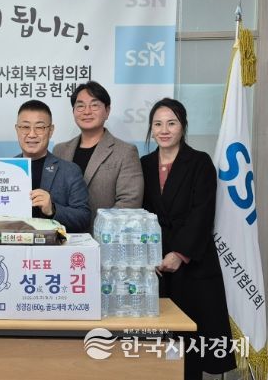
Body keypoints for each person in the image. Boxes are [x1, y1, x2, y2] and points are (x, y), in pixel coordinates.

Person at [141, 98, 235, 379]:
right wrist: (149, 254)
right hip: (155, 264)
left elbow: (202, 213)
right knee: (158, 344)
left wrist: (179, 254)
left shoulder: (200, 162)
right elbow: (139, 213)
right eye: (158, 124)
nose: (164, 130)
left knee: (191, 343)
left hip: (192, 263)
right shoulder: (143, 164)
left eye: (171, 123)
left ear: (183, 126)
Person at [54, 81, 143, 231]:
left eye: (94, 105)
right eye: (80, 106)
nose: (87, 111)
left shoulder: (126, 152)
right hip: (63, 238)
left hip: (103, 238)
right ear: (73, 111)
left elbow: (129, 203)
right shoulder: (59, 150)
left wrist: (98, 232)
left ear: (107, 111)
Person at [15, 100, 90, 233]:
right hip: (12, 244)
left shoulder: (70, 171)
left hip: (53, 245)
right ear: (17, 129)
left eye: (39, 127)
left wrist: (53, 209)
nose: (31, 134)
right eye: (25, 127)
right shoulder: (5, 170)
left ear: (50, 131)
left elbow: (84, 218)